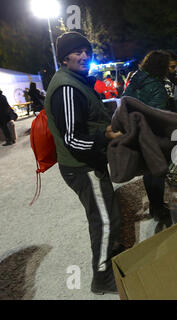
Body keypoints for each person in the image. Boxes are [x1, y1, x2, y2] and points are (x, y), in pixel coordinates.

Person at [44, 31, 123, 295]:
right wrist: (104, 136)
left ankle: (112, 256)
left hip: (88, 163)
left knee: (107, 214)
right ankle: (102, 277)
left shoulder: (76, 80)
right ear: (64, 58)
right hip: (81, 166)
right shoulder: (67, 87)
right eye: (77, 52)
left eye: (86, 51)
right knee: (104, 220)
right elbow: (71, 138)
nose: (84, 56)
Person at [122, 50, 173, 231]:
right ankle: (159, 207)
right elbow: (159, 114)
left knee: (147, 169)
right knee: (157, 169)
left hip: (135, 129)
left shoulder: (135, 78)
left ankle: (153, 205)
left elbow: (125, 101)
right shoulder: (157, 86)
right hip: (152, 133)